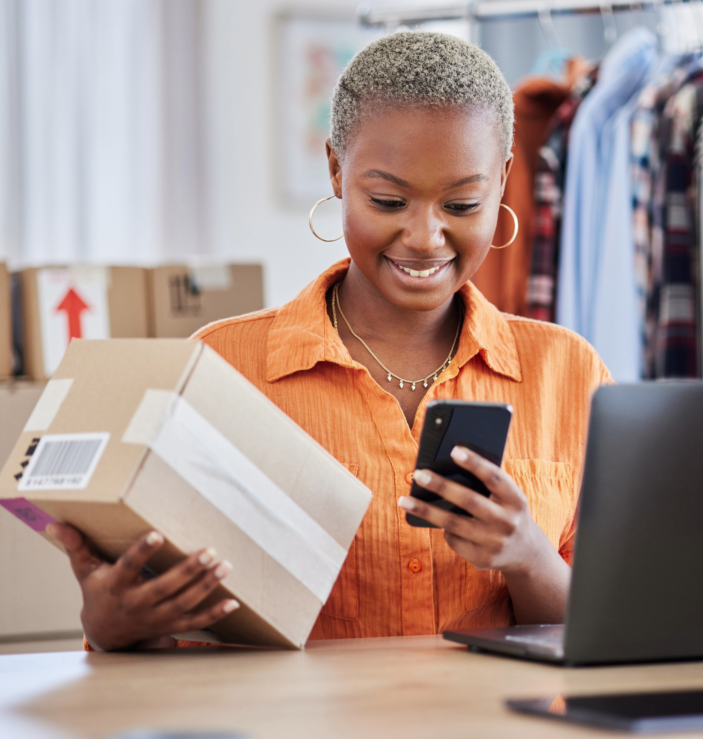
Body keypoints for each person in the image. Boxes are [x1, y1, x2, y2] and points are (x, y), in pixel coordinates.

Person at [49, 31, 611, 652]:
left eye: (462, 203)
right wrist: (110, 627)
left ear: (504, 181)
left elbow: (615, 633)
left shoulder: (569, 373)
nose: (425, 236)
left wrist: (529, 557)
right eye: (388, 199)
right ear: (337, 171)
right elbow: (171, 639)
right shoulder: (221, 369)